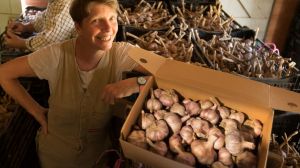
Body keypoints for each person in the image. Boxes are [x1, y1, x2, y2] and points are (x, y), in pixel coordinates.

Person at [0, 0, 149, 167]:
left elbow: (173, 72)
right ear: (78, 27)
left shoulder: (121, 53)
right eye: (96, 21)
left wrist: (137, 82)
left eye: (112, 18)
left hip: (98, 157)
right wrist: (36, 111)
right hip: (56, 157)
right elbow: (4, 73)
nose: (108, 28)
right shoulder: (55, 55)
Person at [3, 0, 76, 51]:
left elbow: (50, 40)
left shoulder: (65, 4)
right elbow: (47, 16)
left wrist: (22, 43)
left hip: (73, 57)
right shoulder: (56, 2)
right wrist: (26, 27)